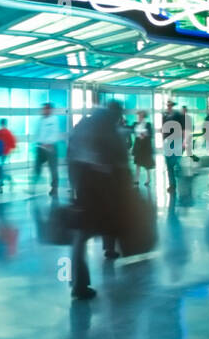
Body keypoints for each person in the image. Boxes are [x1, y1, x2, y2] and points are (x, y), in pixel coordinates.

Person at [66, 100, 131, 300]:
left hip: (82, 185)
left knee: (80, 237)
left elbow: (71, 153)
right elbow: (120, 162)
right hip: (103, 186)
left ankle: (78, 281)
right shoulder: (111, 130)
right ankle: (109, 250)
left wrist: (74, 185)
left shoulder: (83, 125)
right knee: (110, 219)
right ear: (116, 114)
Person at [33, 102, 62, 197]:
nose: (43, 110)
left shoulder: (54, 119)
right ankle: (33, 186)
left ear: (50, 110)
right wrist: (37, 143)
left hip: (51, 147)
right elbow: (37, 133)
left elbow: (55, 134)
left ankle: (55, 188)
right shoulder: (40, 120)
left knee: (53, 168)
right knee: (37, 166)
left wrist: (48, 142)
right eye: (43, 109)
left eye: (45, 109)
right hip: (41, 147)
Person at [160, 99, 185, 194]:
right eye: (168, 105)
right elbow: (163, 129)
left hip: (177, 140)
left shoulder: (178, 115)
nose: (169, 107)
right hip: (168, 141)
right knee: (169, 164)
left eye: (170, 105)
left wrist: (183, 142)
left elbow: (183, 129)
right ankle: (172, 184)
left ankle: (179, 179)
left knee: (175, 162)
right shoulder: (164, 115)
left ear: (172, 106)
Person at [0, 119, 17, 195]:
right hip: (4, 153)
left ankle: (0, 185)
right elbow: (13, 144)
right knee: (0, 168)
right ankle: (6, 179)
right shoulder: (8, 133)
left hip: (0, 153)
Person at [131, 109, 155, 186]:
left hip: (145, 146)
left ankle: (148, 178)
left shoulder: (147, 124)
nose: (139, 117)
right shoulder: (135, 124)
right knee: (137, 163)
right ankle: (136, 179)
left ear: (144, 117)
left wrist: (145, 135)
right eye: (138, 116)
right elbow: (131, 130)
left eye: (141, 116)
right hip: (138, 145)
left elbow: (150, 134)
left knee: (146, 163)